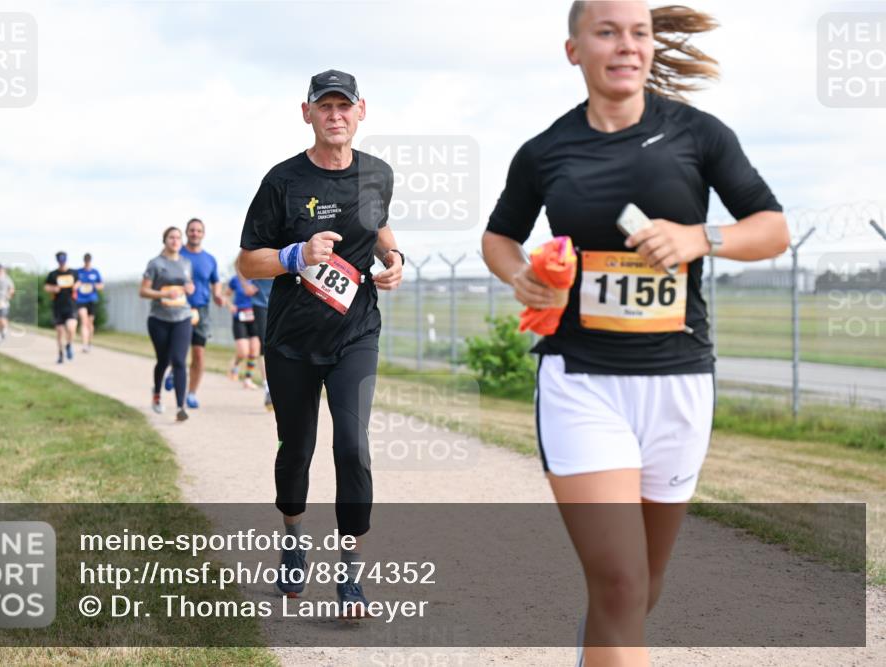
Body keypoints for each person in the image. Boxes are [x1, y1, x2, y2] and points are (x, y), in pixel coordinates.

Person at [480, 3, 790, 665]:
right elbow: (498, 236)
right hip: (581, 382)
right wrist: (520, 277)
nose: (626, 45)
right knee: (619, 583)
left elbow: (771, 228)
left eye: (639, 33)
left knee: (638, 591)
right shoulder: (545, 151)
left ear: (652, 48)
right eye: (607, 32)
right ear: (574, 51)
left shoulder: (700, 136)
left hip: (678, 383)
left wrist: (697, 236)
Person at [237, 69, 403, 613]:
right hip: (291, 339)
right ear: (306, 113)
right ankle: (291, 540)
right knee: (298, 449)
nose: (336, 115)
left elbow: (377, 226)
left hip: (356, 332)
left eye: (344, 106)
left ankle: (351, 574)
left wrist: (394, 258)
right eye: (324, 106)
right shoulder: (282, 181)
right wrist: (295, 255)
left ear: (361, 112)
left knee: (352, 447)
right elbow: (247, 262)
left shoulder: (377, 174)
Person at [163, 218, 224, 409]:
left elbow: (216, 281)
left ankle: (191, 393)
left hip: (202, 310)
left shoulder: (209, 259)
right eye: (191, 230)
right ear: (186, 232)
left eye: (198, 231)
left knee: (198, 354)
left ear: (203, 234)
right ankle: (174, 370)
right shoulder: (176, 254)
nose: (195, 234)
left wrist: (217, 295)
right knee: (178, 350)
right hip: (178, 307)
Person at [139, 226, 195, 422]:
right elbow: (143, 291)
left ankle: (181, 406)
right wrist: (164, 293)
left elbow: (188, 285)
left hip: (182, 317)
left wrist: (189, 288)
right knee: (163, 361)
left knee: (179, 361)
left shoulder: (186, 263)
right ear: (165, 240)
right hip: (159, 319)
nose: (175, 241)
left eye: (178, 237)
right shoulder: (155, 264)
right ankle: (157, 394)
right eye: (171, 237)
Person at [223, 273, 261, 390]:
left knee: (254, 350)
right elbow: (226, 295)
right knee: (243, 352)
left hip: (255, 316)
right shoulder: (236, 279)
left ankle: (247, 379)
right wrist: (230, 306)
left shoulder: (259, 278)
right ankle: (235, 364)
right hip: (239, 317)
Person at [43, 251, 80, 364]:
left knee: (71, 328)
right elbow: (46, 286)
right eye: (60, 259)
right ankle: (60, 354)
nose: (62, 262)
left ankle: (69, 344)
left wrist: (75, 286)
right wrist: (53, 289)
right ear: (57, 260)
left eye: (63, 259)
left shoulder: (73, 272)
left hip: (71, 305)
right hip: (58, 307)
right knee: (60, 332)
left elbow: (79, 282)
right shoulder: (53, 274)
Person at [249, 277, 274, 409]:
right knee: (266, 345)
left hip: (285, 299)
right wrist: (245, 284)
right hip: (261, 301)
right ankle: (268, 388)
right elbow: (239, 263)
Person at [75, 253, 104, 353]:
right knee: (84, 321)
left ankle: (89, 342)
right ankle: (84, 345)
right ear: (84, 260)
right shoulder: (78, 272)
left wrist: (94, 286)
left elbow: (101, 285)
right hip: (81, 300)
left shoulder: (95, 272)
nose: (87, 262)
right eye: (85, 260)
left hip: (91, 299)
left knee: (90, 323)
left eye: (88, 260)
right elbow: (73, 285)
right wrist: (77, 285)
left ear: (90, 260)